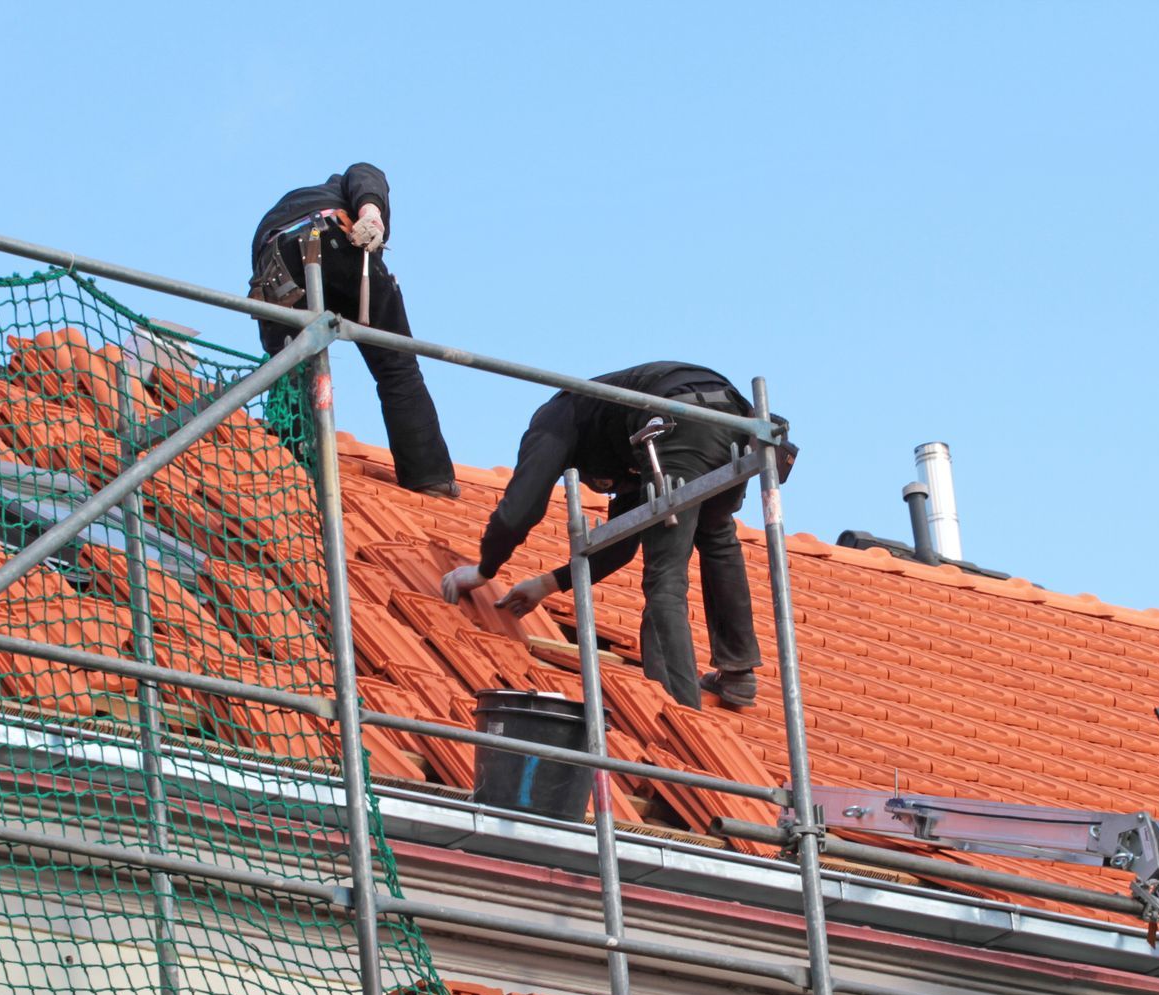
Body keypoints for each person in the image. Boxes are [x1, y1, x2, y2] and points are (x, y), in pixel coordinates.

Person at [439, 361, 772, 710]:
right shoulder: (621, 439)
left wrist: (485, 569)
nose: (601, 488)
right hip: (732, 418)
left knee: (665, 577)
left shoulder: (557, 418)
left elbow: (520, 508)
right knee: (716, 533)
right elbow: (618, 544)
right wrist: (545, 585)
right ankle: (737, 671)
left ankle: (680, 710)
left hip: (674, 417)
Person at [248, 163, 456, 497]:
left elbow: (271, 327)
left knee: (291, 371)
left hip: (277, 265)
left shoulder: (277, 215)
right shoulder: (342, 185)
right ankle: (429, 477)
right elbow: (365, 172)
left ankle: (292, 461)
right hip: (333, 239)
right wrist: (372, 215)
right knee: (396, 367)